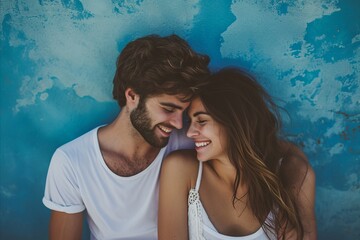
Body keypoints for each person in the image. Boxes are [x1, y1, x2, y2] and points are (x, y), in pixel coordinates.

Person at [42, 34, 210, 240]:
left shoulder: (190, 144)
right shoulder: (71, 161)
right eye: (168, 109)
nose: (178, 124)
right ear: (132, 96)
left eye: (183, 113)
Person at [158, 68, 317, 240]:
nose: (189, 133)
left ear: (234, 123)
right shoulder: (181, 169)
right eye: (191, 121)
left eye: (202, 121)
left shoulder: (290, 174)